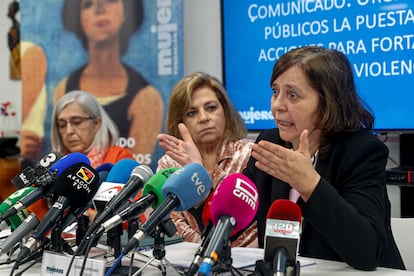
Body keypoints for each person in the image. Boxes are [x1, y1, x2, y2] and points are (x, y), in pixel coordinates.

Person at [242, 46, 405, 270]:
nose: (277, 105)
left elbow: (367, 253)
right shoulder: (271, 144)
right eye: (275, 92)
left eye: (292, 95)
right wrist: (204, 197)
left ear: (327, 102)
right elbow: (237, 213)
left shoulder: (361, 151)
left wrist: (309, 184)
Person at [53, 0, 164, 165]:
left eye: (76, 122)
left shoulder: (147, 96)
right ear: (79, 19)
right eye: (88, 4)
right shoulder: (63, 88)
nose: (99, 9)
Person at [157, 72, 257, 247]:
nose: (203, 118)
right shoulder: (170, 164)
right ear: (181, 121)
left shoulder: (249, 154)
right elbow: (173, 226)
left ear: (225, 111)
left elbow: (251, 227)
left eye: (211, 108)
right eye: (192, 113)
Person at [50, 90, 133, 168]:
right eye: (62, 125)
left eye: (77, 122)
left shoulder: (120, 158)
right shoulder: (55, 164)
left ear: (97, 123)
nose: (69, 131)